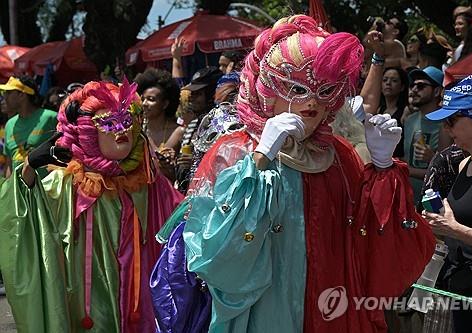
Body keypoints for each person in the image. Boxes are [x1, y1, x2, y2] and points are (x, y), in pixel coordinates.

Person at [151, 15, 435, 332]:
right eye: (297, 88)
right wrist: (259, 161)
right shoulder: (233, 152)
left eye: (324, 90)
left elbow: (374, 253)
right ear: (266, 90)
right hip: (261, 316)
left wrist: (382, 169)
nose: (311, 103)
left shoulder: (340, 158)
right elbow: (212, 256)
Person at [0, 79, 183, 332]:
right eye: (108, 123)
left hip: (138, 299)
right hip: (87, 299)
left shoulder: (149, 181)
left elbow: (182, 221)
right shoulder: (68, 183)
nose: (121, 129)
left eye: (126, 121)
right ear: (88, 132)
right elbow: (23, 213)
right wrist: (30, 166)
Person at [423, 73, 472, 333]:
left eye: (452, 120)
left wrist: (453, 228)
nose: (446, 128)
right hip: (459, 282)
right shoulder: (464, 162)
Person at [404, 66, 452, 204]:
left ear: (437, 91)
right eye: (412, 85)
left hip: (433, 202)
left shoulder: (445, 123)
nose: (414, 90)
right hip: (409, 199)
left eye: (421, 86)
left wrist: (433, 159)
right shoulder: (409, 120)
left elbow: (446, 171)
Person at [0, 75, 58, 178]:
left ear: (22, 95)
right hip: (19, 191)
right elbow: (9, 164)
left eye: (8, 93)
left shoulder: (51, 118)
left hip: (46, 190)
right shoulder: (9, 124)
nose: (4, 97)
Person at [134, 68, 181, 182]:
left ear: (165, 104)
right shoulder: (137, 132)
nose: (144, 104)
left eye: (151, 99)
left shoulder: (179, 132)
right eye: (143, 99)